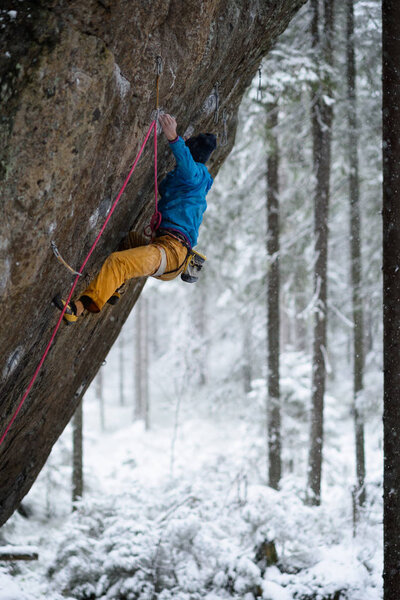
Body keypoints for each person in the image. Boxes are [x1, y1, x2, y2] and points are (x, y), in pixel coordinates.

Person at [54, 114, 217, 324]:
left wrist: (173, 137)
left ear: (192, 153)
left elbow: (186, 164)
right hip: (170, 252)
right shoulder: (195, 185)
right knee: (129, 240)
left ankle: (78, 308)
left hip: (170, 253)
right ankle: (115, 288)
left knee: (118, 262)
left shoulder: (194, 175)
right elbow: (174, 183)